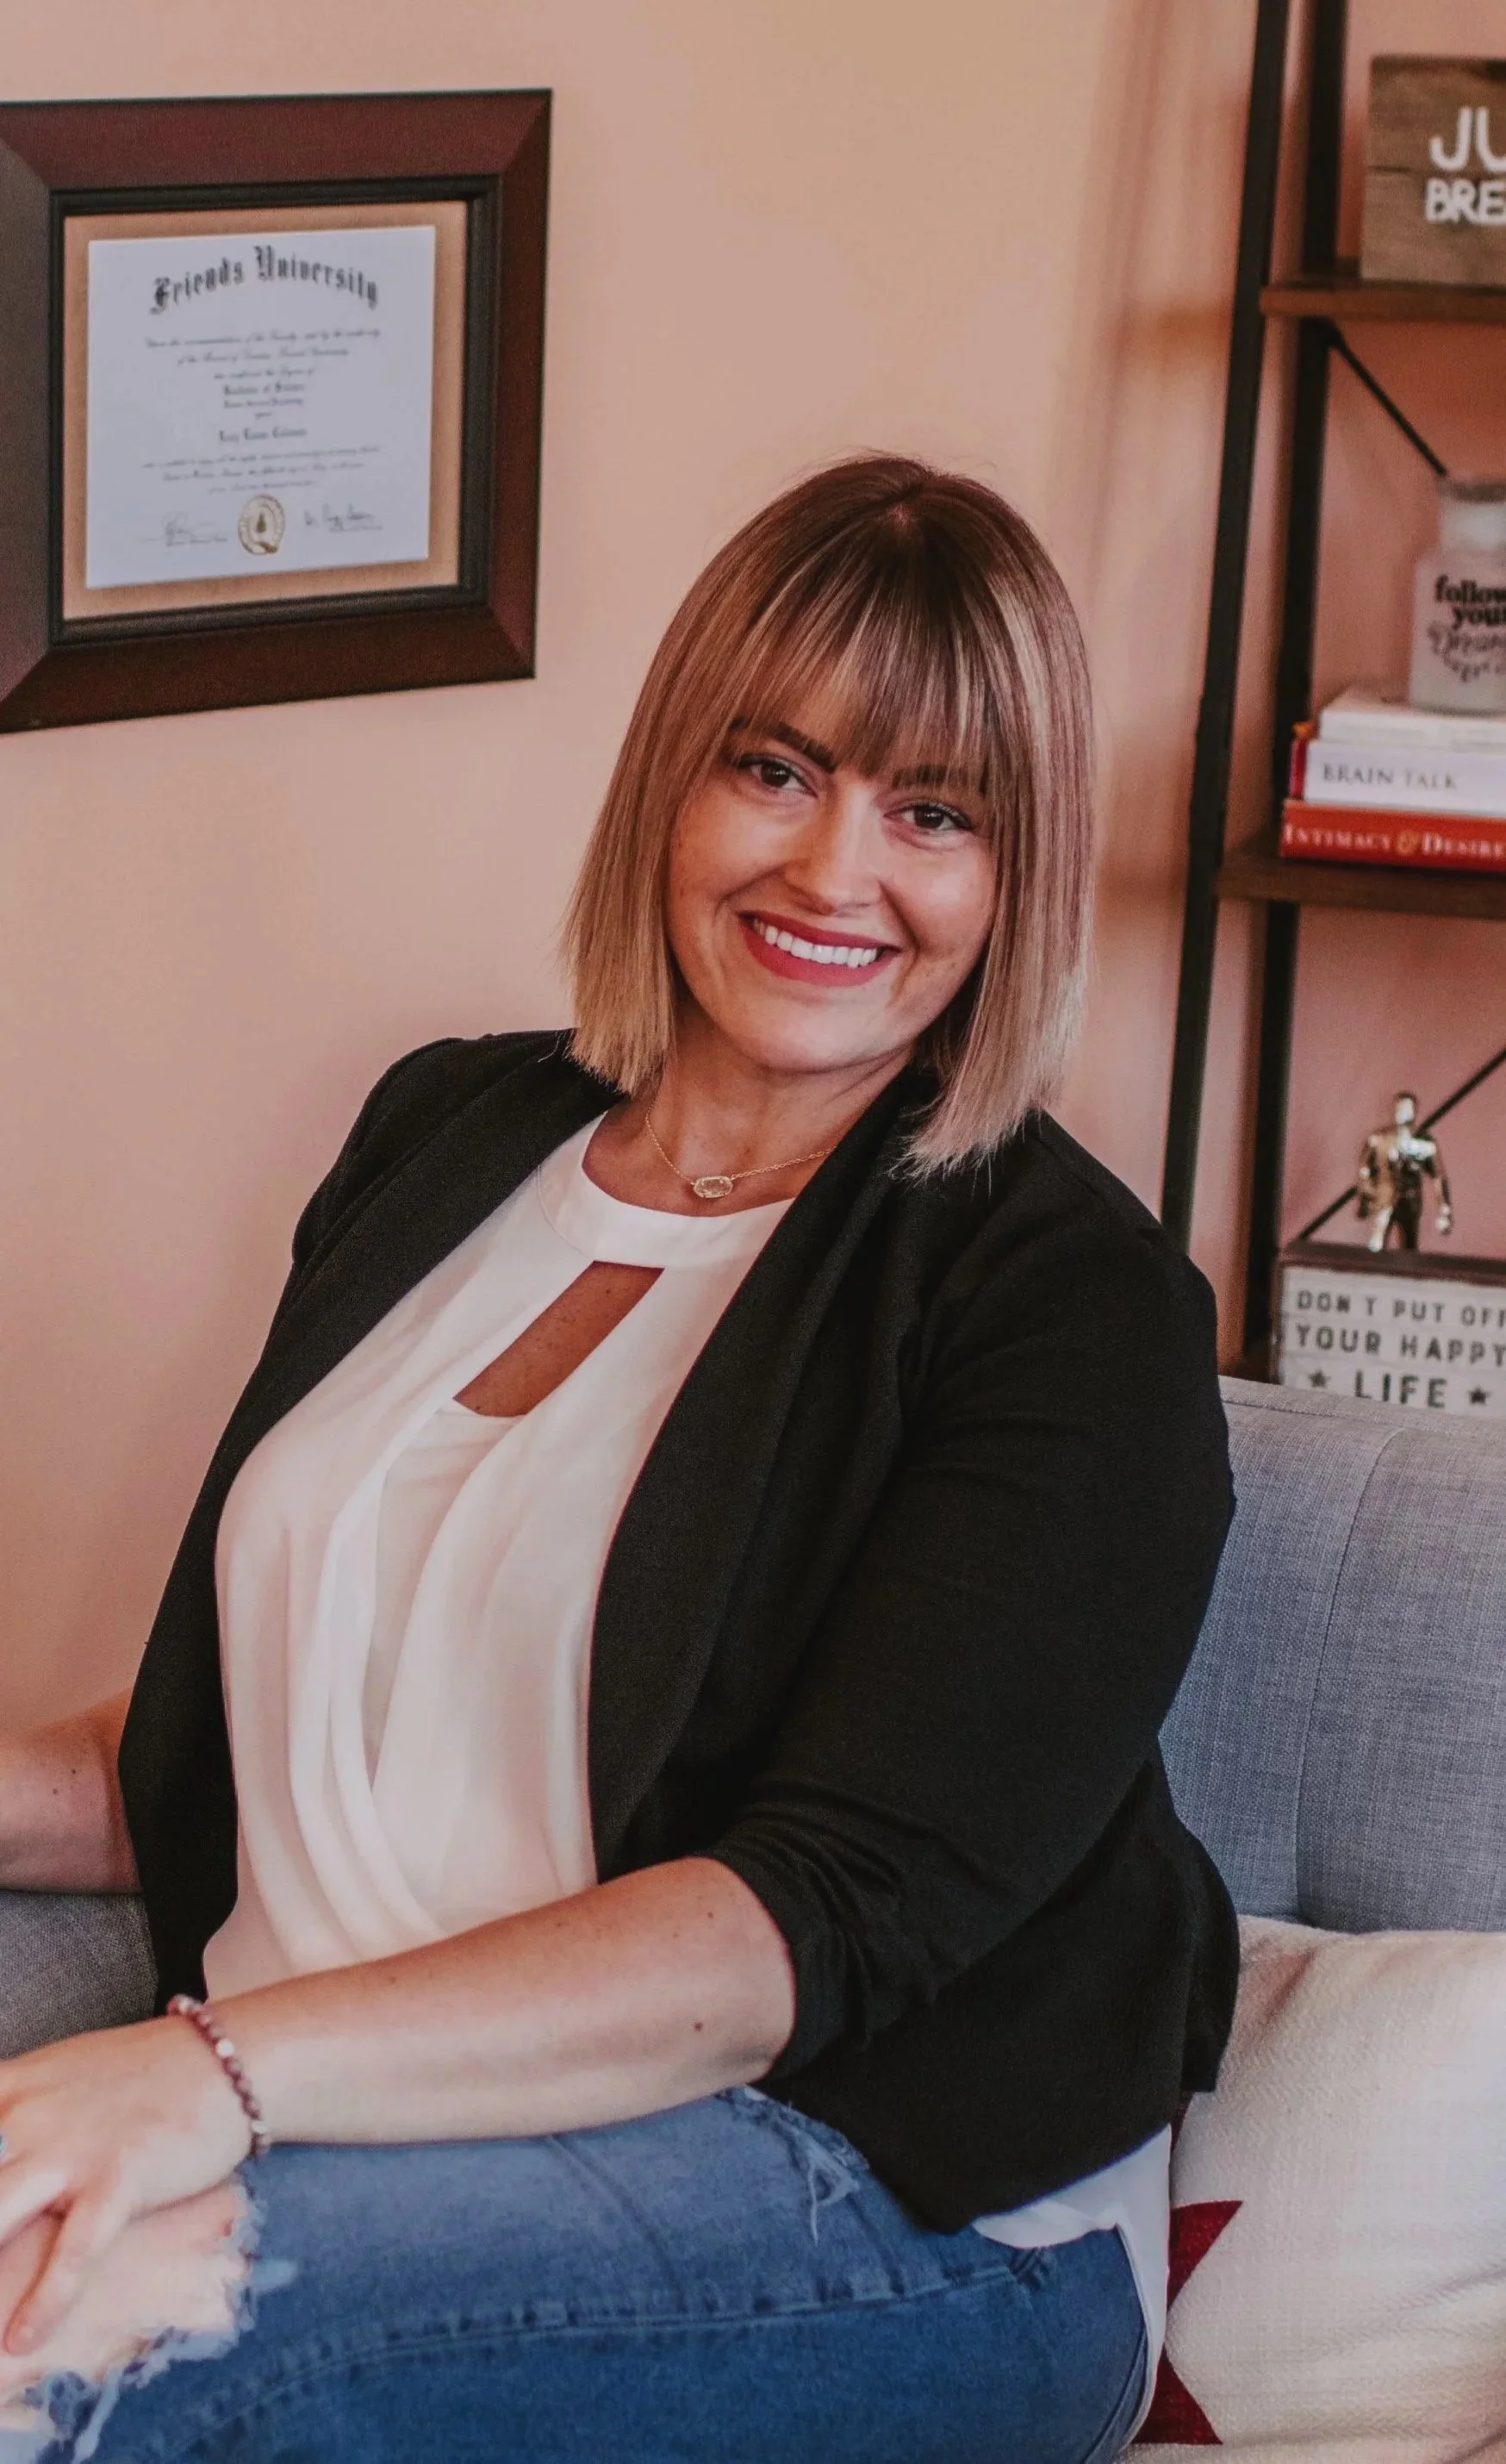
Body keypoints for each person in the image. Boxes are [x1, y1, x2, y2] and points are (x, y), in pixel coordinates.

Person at [0, 454, 1236, 2464]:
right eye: (776, 768)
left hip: (865, 2195)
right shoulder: (452, 1137)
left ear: (1015, 877)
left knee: (75, 2353)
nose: (836, 872)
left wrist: (212, 2075)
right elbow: (285, 1724)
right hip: (362, 2110)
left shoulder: (1066, 1301)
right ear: (671, 774)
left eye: (934, 813)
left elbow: (805, 1928)